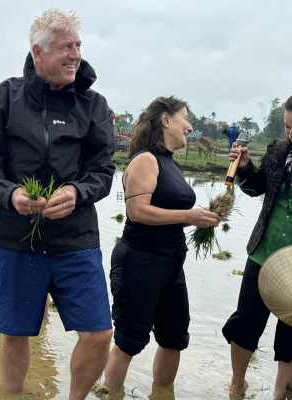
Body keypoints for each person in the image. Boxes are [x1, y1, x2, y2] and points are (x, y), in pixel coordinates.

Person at [0, 9, 115, 399]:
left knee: (99, 333)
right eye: (66, 46)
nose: (76, 55)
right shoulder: (2, 100)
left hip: (76, 239)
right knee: (16, 332)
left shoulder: (93, 106)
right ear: (39, 51)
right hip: (17, 239)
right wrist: (12, 195)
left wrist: (76, 193)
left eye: (78, 46)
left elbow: (103, 171)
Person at [103, 97, 222, 393]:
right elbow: (137, 211)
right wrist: (189, 215)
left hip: (170, 264)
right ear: (166, 120)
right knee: (129, 341)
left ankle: (162, 394)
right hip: (139, 262)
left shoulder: (170, 163)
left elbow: (169, 214)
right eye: (186, 118)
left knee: (174, 337)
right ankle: (109, 394)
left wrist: (200, 218)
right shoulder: (146, 159)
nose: (190, 126)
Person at [223, 95, 292, 400]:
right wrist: (246, 165)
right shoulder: (278, 150)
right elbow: (256, 188)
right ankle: (237, 383)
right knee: (246, 321)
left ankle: (280, 395)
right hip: (263, 252)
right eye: (289, 127)